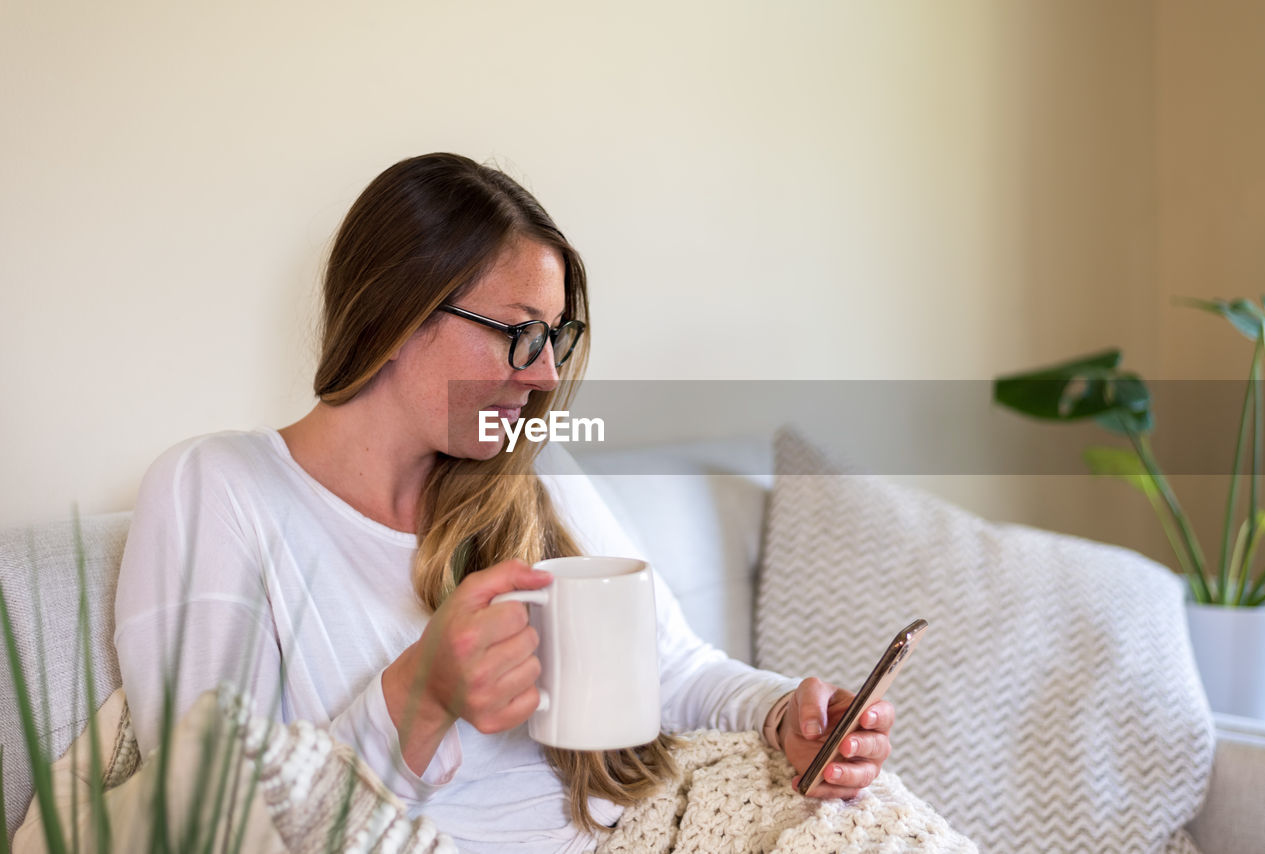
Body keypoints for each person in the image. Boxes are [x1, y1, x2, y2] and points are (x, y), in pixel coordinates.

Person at [113, 153, 895, 853]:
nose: (548, 374)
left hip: (637, 831)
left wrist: (784, 715)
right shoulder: (219, 488)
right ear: (394, 316)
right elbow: (211, 820)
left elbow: (672, 669)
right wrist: (421, 696)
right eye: (519, 333)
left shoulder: (532, 470)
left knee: (868, 819)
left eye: (556, 336)